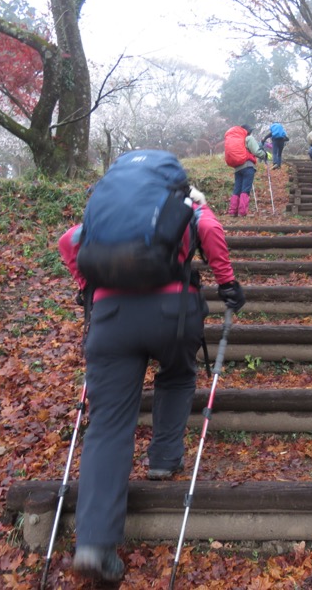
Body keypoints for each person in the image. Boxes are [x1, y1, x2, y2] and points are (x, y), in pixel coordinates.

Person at [57, 166, 246, 583]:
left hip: (111, 318)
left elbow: (69, 241)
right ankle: (163, 459)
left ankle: (95, 544)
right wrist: (227, 282)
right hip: (172, 313)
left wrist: (84, 285)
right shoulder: (186, 203)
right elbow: (211, 230)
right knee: (177, 376)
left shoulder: (105, 212)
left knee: (107, 424)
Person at [224, 124, 267, 216]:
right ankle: (242, 212)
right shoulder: (248, 138)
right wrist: (264, 155)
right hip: (247, 166)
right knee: (245, 189)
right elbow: (256, 151)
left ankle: (232, 211)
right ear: (248, 131)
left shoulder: (236, 139)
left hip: (237, 168)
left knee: (237, 189)